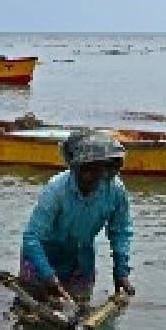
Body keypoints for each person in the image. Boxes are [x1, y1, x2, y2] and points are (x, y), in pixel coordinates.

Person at [20, 129, 136, 307]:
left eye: (95, 169)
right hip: (42, 259)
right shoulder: (56, 190)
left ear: (105, 168)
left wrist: (121, 272)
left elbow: (120, 232)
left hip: (81, 262)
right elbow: (32, 238)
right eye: (84, 169)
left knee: (80, 314)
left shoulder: (115, 190)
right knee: (32, 317)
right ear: (74, 167)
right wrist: (48, 277)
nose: (89, 175)